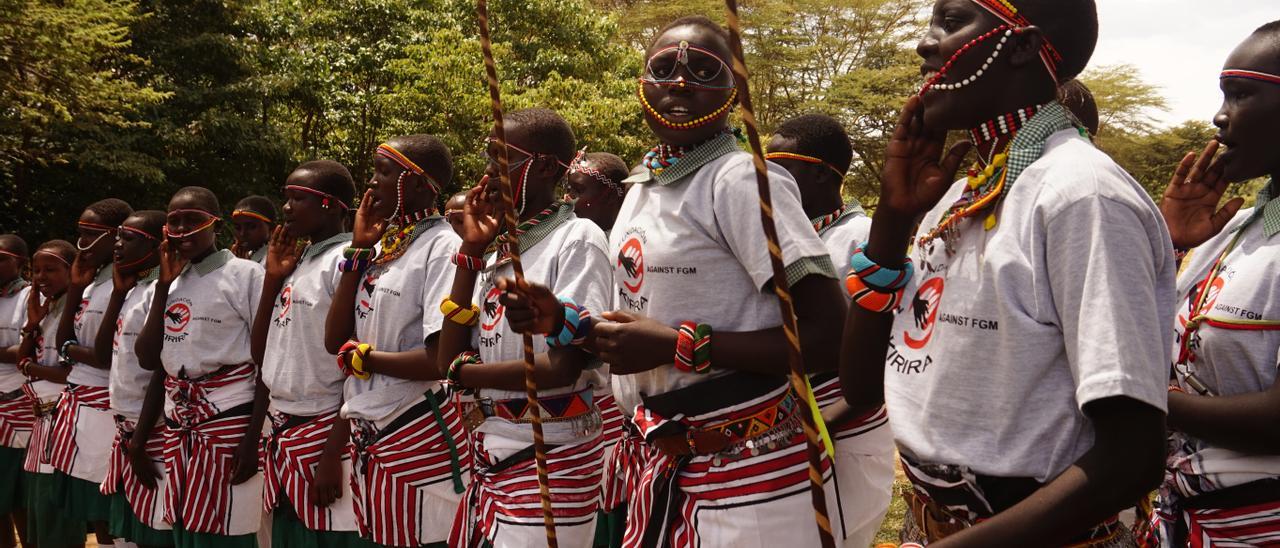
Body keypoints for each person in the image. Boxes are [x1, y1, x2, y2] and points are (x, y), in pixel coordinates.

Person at [500, 16, 846, 547]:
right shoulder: (642, 187)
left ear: (734, 89)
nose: (680, 83)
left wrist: (679, 348)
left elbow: (828, 338)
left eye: (704, 69)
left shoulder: (741, 180)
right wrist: (566, 323)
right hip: (664, 461)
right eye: (662, 68)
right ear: (642, 85)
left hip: (748, 477)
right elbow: (636, 329)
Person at [837, 0, 1173, 545]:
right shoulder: (960, 192)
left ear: (1021, 46)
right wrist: (893, 218)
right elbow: (862, 386)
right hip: (930, 523)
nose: (925, 43)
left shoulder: (1080, 195)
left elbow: (1132, 459)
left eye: (950, 22)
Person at [439, 108, 612, 547]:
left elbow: (559, 369)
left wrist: (466, 373)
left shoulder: (577, 238)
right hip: (491, 447)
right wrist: (472, 251)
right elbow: (447, 357)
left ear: (547, 167)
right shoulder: (498, 249)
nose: (488, 174)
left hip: (551, 453)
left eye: (502, 160)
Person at [1142, 20, 1280, 546]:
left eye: (1240, 94)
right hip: (1195, 517)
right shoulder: (1238, 226)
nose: (1219, 116)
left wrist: (1138, 396)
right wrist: (1172, 243)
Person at [323, 135, 469, 548]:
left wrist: (366, 360)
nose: (371, 184)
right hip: (371, 431)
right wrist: (357, 250)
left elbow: (441, 358)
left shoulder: (443, 247)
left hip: (416, 427)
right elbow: (335, 340)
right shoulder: (382, 245)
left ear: (420, 184)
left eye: (383, 173)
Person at [766, 113, 894, 548]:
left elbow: (880, 351)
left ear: (820, 174)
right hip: (789, 428)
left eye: (779, 167)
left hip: (845, 429)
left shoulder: (861, 239)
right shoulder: (778, 238)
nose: (766, 179)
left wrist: (821, 424)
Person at [136, 186, 266, 547]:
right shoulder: (166, 283)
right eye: (174, 222)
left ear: (215, 224)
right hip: (179, 420)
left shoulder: (246, 276)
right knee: (187, 526)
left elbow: (266, 362)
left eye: (192, 220)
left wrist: (253, 439)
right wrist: (163, 286)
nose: (182, 230)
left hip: (230, 422)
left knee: (227, 528)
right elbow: (150, 359)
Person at [250, 161, 362, 546]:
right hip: (284, 428)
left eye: (298, 198)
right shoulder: (301, 261)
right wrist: (273, 277)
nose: (286, 208)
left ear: (331, 205)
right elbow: (260, 353)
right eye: (286, 198)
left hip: (327, 433)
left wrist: (334, 452)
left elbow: (357, 365)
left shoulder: (349, 260)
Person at [51, 198, 134, 546]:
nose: (81, 244)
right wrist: (74, 286)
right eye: (79, 235)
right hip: (81, 406)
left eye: (90, 235)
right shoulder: (91, 283)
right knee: (96, 518)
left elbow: (103, 357)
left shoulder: (130, 286)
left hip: (105, 407)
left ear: (116, 236)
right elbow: (62, 343)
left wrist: (74, 351)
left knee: (114, 516)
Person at [96, 210, 172, 547]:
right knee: (131, 532)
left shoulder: (162, 289)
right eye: (117, 236)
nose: (117, 244)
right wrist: (116, 293)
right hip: (128, 429)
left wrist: (139, 442)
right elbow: (102, 353)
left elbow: (160, 369)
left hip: (151, 432)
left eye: (128, 238)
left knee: (156, 531)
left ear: (156, 246)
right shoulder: (133, 287)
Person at [16, 240, 86, 547]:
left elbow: (69, 372)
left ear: (72, 270)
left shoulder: (76, 307)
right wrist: (32, 324)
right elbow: (23, 357)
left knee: (57, 516)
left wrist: (31, 368)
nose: (41, 277)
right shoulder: (47, 309)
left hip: (64, 419)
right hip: (43, 421)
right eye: (37, 270)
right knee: (39, 515)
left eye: (51, 269)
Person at [0, 234, 32, 548]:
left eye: (2, 258)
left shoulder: (29, 296)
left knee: (20, 497)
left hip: (19, 407)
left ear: (21, 262)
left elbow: (26, 349)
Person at [566, 151, 629, 234]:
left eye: (578, 190)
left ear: (610, 196)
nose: (568, 197)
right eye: (568, 189)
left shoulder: (625, 243)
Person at [231, 195, 277, 264]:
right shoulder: (246, 257)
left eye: (251, 227)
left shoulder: (275, 261)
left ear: (271, 228)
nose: (242, 233)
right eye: (238, 228)